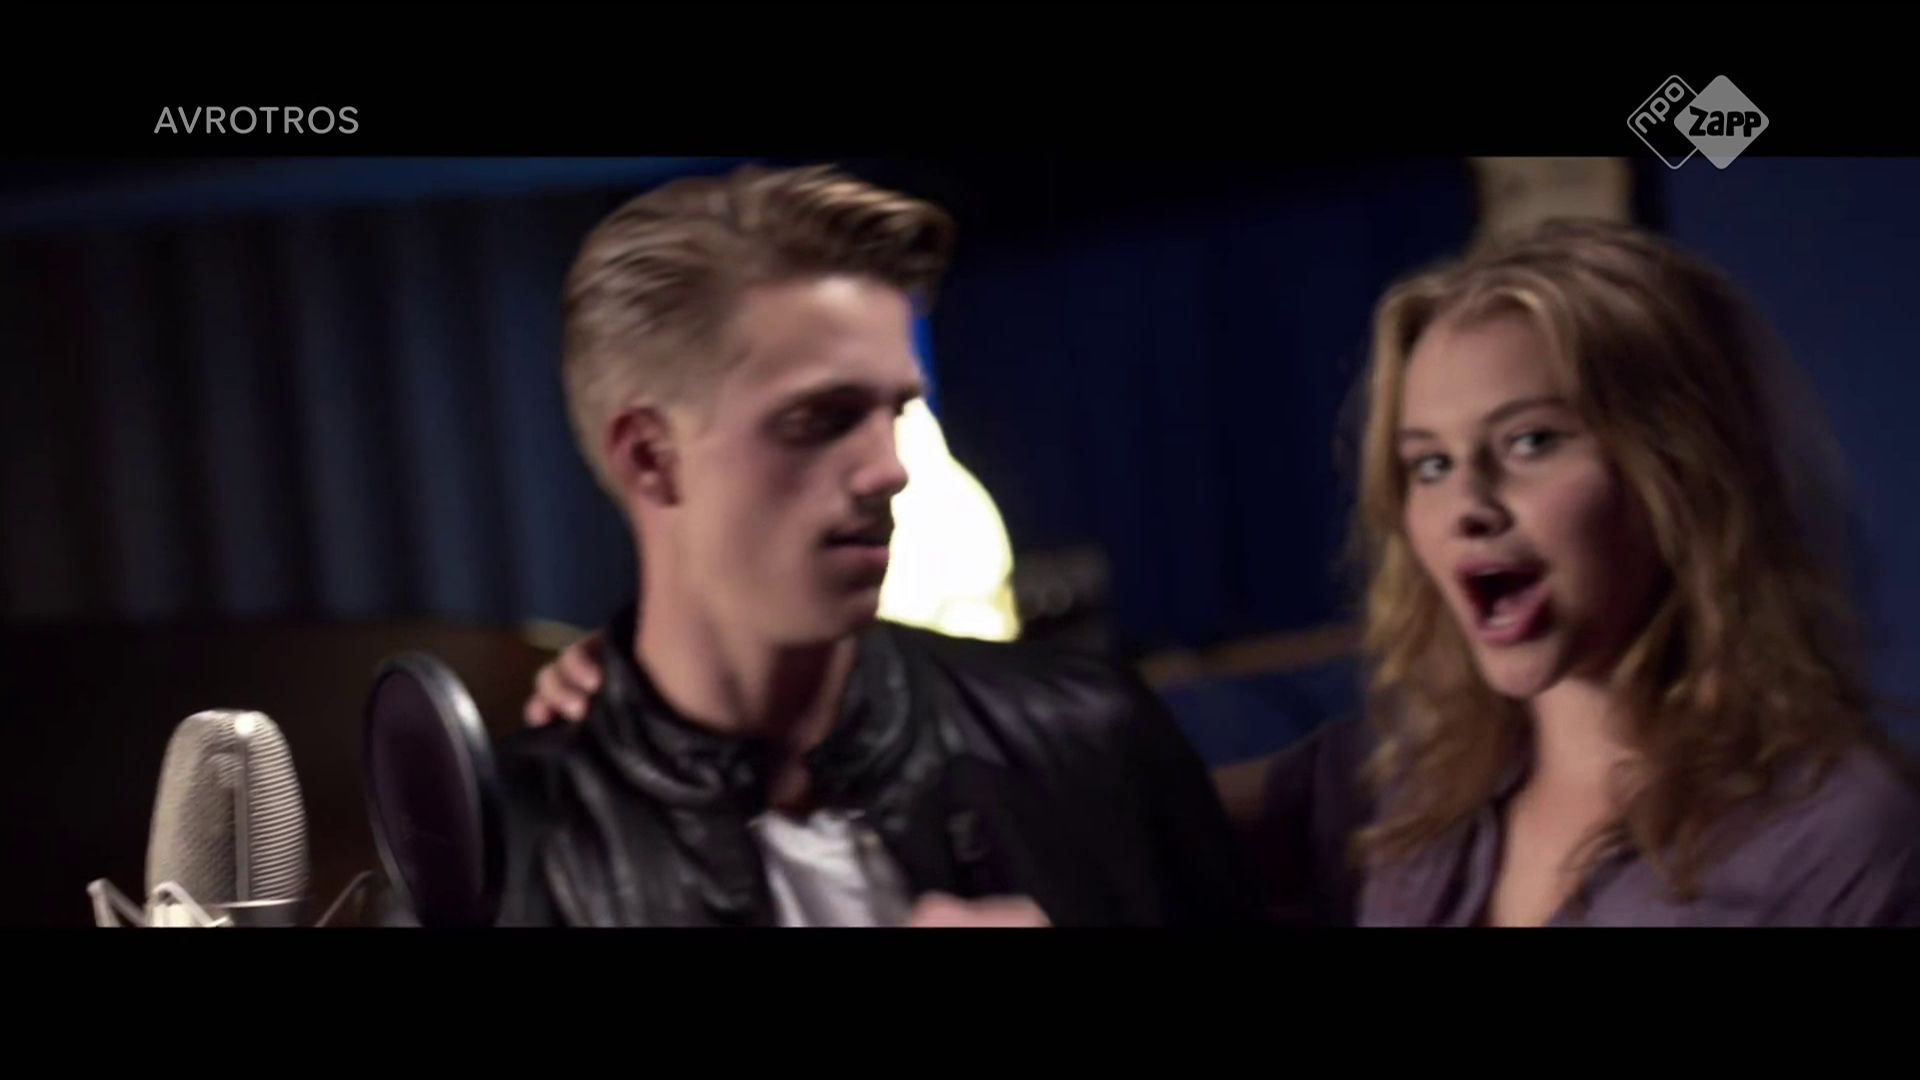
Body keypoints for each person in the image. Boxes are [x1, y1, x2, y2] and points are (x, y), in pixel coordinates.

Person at [494, 163, 1256, 927]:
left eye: (896, 412)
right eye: (821, 418)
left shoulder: (1088, 736)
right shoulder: (512, 861)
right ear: (650, 458)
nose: (890, 469)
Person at [1338, 218, 1920, 926]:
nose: (1467, 505)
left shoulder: (1839, 839)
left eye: (1531, 441)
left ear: (1679, 468)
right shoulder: (1423, 805)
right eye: (1431, 464)